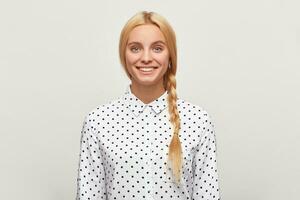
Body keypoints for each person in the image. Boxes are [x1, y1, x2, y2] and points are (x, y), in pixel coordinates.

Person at [76, 11, 221, 200]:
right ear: (124, 55)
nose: (146, 58)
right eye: (135, 48)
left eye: (157, 48)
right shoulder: (97, 122)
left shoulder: (198, 121)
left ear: (170, 56)